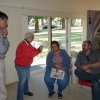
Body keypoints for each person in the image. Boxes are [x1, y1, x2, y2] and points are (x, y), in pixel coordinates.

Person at [15, 32, 43, 100]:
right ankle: (19, 98)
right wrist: (39, 50)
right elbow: (30, 55)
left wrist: (38, 49)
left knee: (26, 79)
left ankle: (26, 91)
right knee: (22, 81)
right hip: (21, 66)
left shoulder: (28, 44)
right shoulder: (23, 44)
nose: (33, 39)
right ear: (29, 38)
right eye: (32, 38)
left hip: (26, 65)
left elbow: (34, 50)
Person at [0, 11, 10, 100]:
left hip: (1, 60)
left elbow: (7, 45)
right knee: (1, 84)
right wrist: (4, 37)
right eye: (5, 21)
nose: (7, 24)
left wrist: (4, 36)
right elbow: (2, 50)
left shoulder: (1, 32)